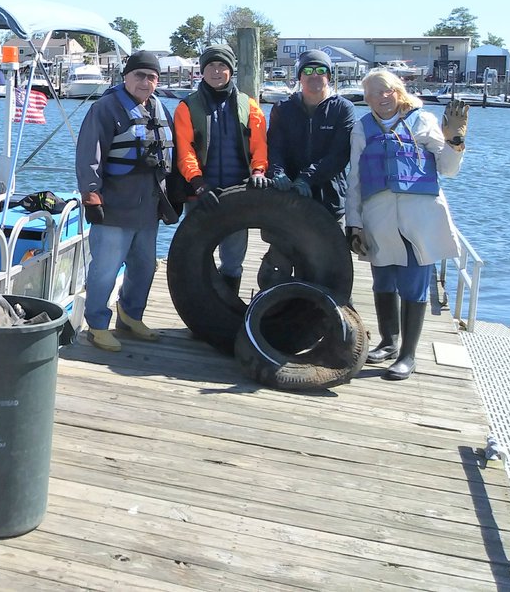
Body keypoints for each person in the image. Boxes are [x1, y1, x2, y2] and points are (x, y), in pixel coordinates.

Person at [345, 69, 469, 380]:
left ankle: (408, 355)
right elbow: (355, 182)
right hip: (380, 219)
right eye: (373, 93)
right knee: (383, 281)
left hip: (419, 219)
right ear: (366, 99)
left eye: (386, 91)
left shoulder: (423, 120)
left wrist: (455, 141)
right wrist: (354, 224)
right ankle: (388, 342)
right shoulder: (362, 129)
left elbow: (448, 170)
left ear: (398, 91)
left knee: (414, 285)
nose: (381, 98)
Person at [76, 51, 179, 352]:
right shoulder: (105, 109)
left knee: (145, 266)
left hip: (148, 207)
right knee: (105, 269)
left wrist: (175, 192)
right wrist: (91, 196)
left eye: (151, 77)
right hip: (113, 206)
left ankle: (131, 315)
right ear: (126, 77)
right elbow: (88, 155)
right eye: (139, 75)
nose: (145, 82)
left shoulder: (159, 108)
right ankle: (96, 324)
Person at [172, 44, 270, 293]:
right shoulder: (186, 107)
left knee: (233, 261)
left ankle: (227, 310)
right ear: (202, 71)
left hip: (238, 194)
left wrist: (259, 171)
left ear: (231, 70)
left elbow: (259, 145)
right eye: (211, 66)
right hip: (201, 195)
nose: (217, 71)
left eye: (222, 66)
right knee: (196, 255)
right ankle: (197, 309)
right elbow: (185, 150)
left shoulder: (249, 106)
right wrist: (197, 182)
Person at [267, 49, 356, 221]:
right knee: (281, 247)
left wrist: (307, 178)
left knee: (333, 247)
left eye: (321, 70)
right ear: (300, 77)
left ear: (329, 76)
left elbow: (339, 155)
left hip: (329, 200)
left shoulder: (343, 109)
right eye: (307, 70)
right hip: (288, 198)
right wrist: (277, 172)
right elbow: (274, 147)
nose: (314, 75)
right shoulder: (282, 108)